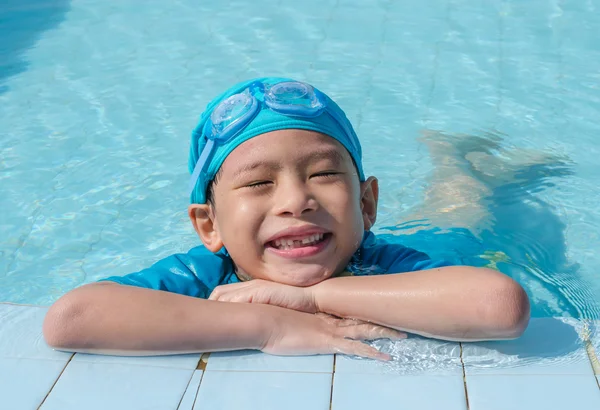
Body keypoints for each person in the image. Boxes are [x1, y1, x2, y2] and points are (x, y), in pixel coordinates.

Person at [43, 77, 530, 361]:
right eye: (258, 184)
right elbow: (73, 317)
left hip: (446, 246)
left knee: (464, 210)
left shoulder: (383, 264)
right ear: (209, 225)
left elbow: (498, 306)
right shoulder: (205, 276)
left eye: (322, 174)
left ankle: (455, 161)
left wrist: (311, 296)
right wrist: (267, 325)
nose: (296, 201)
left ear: (365, 205)